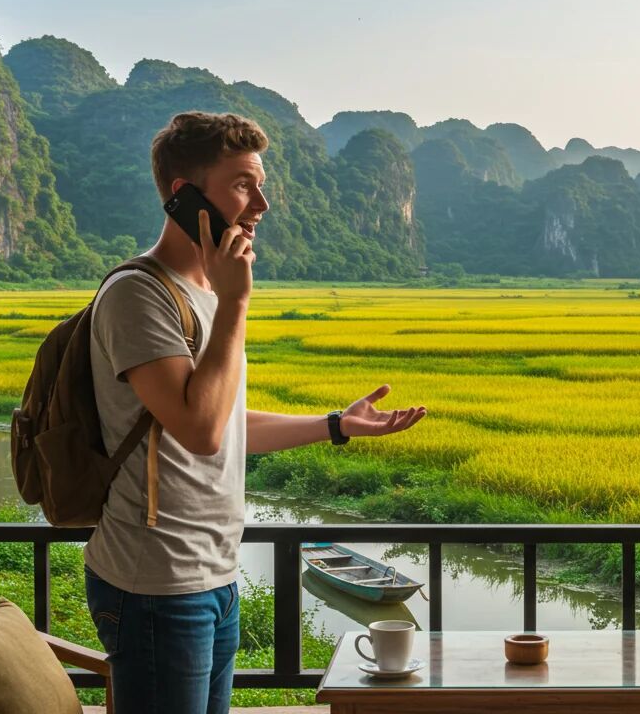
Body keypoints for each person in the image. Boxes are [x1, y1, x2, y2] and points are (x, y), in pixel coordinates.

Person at [83, 111, 427, 714]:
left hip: (212, 573)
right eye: (243, 184)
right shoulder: (139, 294)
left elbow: (227, 421)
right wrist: (237, 301)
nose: (261, 203)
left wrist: (336, 426)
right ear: (183, 195)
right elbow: (201, 431)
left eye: (260, 184)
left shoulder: (208, 294)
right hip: (156, 583)